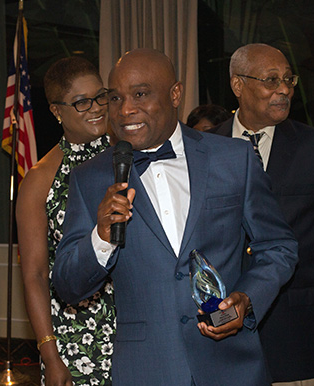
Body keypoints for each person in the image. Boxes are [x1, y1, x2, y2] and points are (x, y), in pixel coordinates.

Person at [52, 48, 299, 386]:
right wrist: (101, 238)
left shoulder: (233, 158)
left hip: (232, 366)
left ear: (175, 94)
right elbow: (67, 285)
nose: (125, 110)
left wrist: (248, 298)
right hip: (146, 370)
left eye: (140, 94)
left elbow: (279, 246)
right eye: (115, 98)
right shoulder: (90, 178)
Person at [209, 43, 314, 386]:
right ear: (238, 86)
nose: (284, 90)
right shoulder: (203, 148)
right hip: (219, 342)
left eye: (288, 80)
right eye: (271, 80)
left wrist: (301, 289)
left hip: (296, 338)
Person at [16, 57, 115, 386]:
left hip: (138, 327)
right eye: (81, 102)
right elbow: (34, 274)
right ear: (56, 111)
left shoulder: (130, 154)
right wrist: (50, 356)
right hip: (75, 338)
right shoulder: (40, 178)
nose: (96, 108)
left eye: (101, 96)